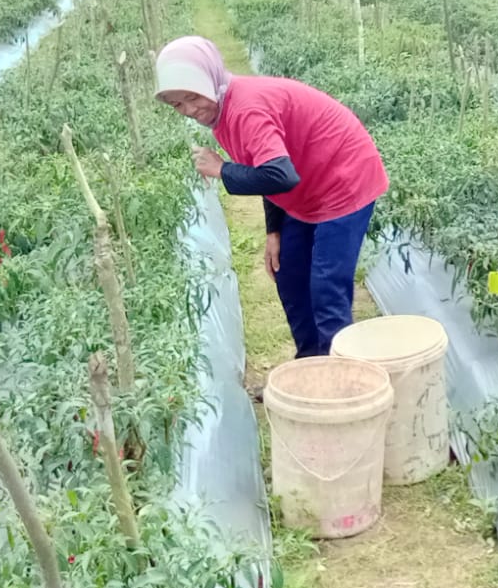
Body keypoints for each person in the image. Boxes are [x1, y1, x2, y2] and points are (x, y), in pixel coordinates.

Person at [154, 36, 387, 359]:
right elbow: (264, 167)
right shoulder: (223, 112)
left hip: (343, 178)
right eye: (178, 104)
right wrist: (273, 231)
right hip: (307, 183)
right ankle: (310, 364)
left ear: (211, 79)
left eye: (193, 97)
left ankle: (340, 386)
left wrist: (223, 170)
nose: (190, 110)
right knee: (289, 274)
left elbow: (280, 174)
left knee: (326, 287)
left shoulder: (245, 109)